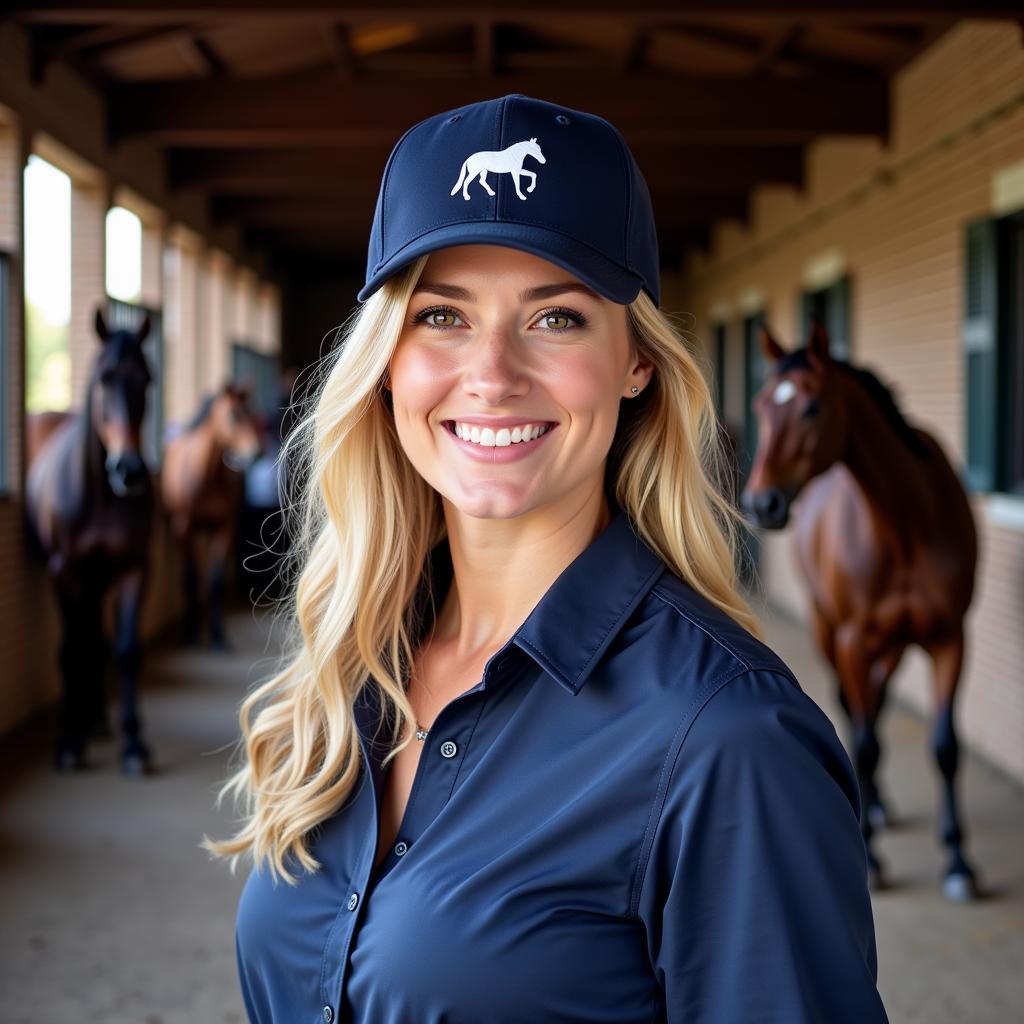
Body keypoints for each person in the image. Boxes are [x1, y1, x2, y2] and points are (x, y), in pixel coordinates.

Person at [204, 93, 888, 1023]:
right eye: (441, 317)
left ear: (636, 362)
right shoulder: (358, 665)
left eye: (555, 318)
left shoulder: (729, 743)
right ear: (388, 361)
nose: (491, 372)